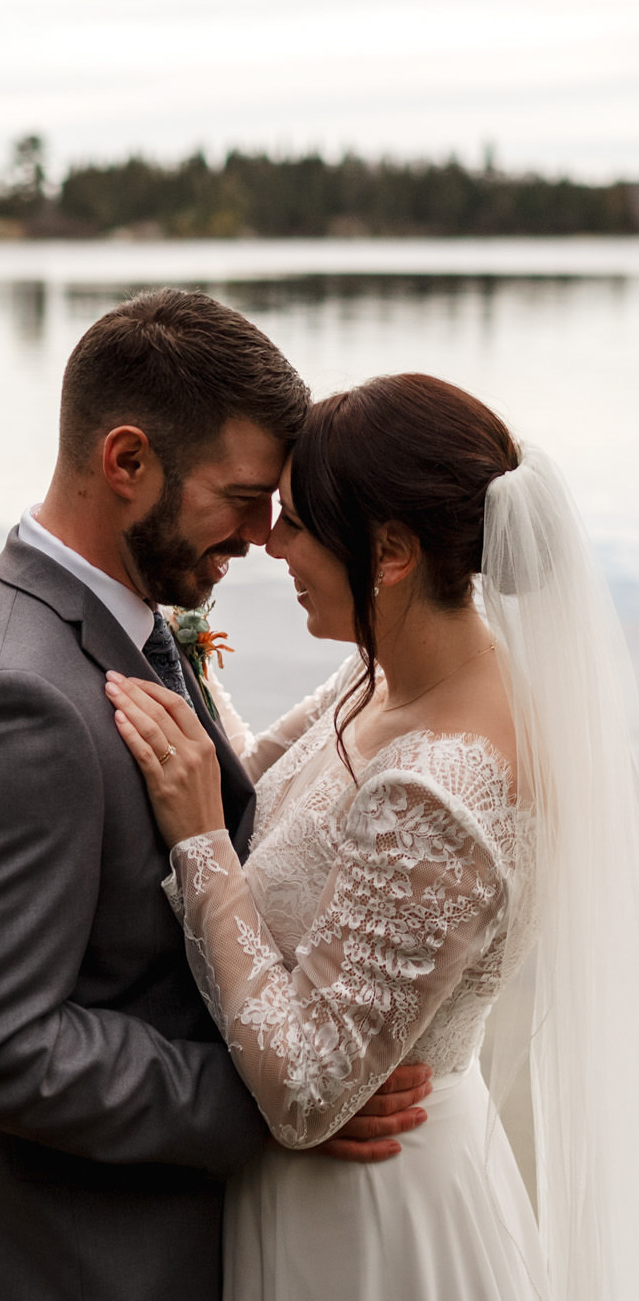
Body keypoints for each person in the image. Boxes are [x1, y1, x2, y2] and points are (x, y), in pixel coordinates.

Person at [0, 295, 430, 1301]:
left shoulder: (129, 616)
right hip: (75, 1256)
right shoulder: (15, 698)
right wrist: (271, 1102)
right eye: (242, 495)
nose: (266, 533)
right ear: (127, 461)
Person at [106, 372, 639, 1301]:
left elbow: (309, 1087)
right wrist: (171, 639)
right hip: (311, 1189)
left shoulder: (448, 787)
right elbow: (256, 777)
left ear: (389, 550)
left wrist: (199, 843)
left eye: (298, 524)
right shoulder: (381, 679)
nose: (270, 544)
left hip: (369, 1217)